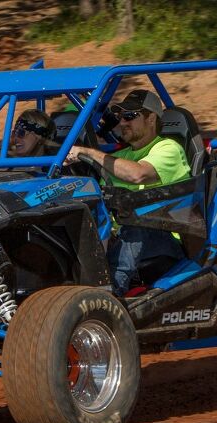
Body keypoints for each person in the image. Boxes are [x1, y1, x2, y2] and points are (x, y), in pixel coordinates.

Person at [64, 89, 191, 296]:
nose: (122, 122)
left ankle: (110, 295)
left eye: (130, 116)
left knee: (137, 222)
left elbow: (137, 174)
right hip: (120, 236)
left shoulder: (168, 148)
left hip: (168, 239)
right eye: (121, 117)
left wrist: (88, 152)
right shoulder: (119, 156)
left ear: (151, 118)